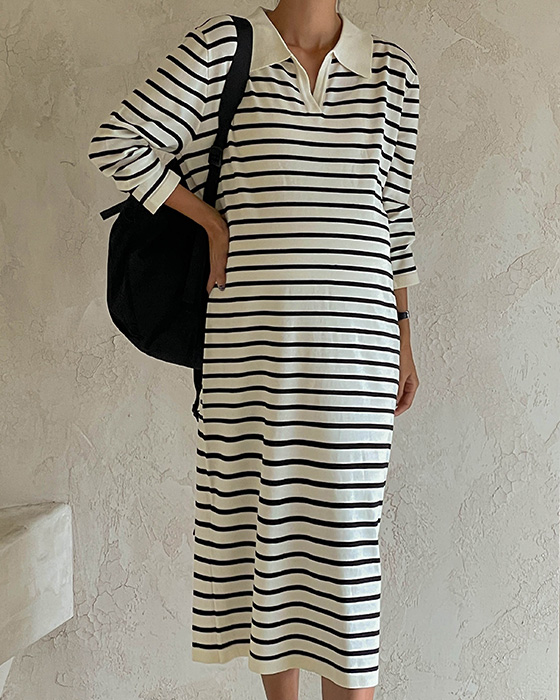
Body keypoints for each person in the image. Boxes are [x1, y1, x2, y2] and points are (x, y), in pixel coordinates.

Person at [87, 2, 422, 698]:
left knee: (345, 558)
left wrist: (405, 336)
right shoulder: (227, 49)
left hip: (360, 353)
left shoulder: (392, 73)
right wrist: (209, 220)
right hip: (251, 353)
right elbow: (120, 142)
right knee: (267, 542)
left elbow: (395, 215)